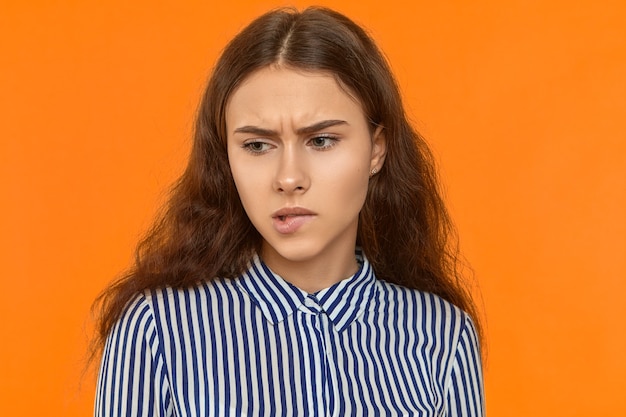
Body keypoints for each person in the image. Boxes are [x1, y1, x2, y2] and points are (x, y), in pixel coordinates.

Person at [92, 6, 484, 416]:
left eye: (321, 141)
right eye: (257, 145)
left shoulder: (443, 336)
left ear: (377, 149)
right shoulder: (157, 330)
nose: (288, 178)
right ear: (226, 158)